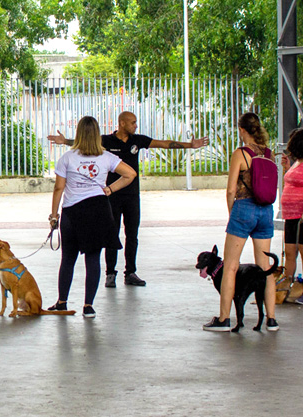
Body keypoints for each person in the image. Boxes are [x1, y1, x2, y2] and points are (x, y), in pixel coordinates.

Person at [49, 111, 209, 287]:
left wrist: (190, 145)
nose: (135, 125)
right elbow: (86, 141)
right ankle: (110, 273)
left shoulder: (137, 140)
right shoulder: (106, 141)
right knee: (112, 234)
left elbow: (163, 144)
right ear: (122, 123)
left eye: (136, 122)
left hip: (131, 195)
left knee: (132, 234)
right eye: (132, 123)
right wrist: (65, 141)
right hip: (110, 196)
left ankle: (130, 272)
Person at [47, 116, 136, 318]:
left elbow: (58, 187)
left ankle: (62, 302)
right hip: (98, 210)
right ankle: (88, 306)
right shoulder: (106, 157)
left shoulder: (67, 158)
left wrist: (54, 216)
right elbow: (130, 174)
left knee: (68, 258)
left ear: (78, 133)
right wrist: (110, 189)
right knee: (93, 258)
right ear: (97, 135)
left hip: (72, 212)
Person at [203, 112, 278, 331]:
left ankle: (224, 319)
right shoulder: (268, 154)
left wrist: (232, 213)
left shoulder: (241, 153)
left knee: (231, 266)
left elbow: (231, 189)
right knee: (265, 266)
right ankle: (271, 320)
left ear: (242, 130)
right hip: (266, 211)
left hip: (244, 209)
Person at [281, 129, 303, 304]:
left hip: (301, 215)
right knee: (290, 252)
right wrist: (287, 168)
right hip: (291, 215)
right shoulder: (297, 163)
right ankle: (286, 287)